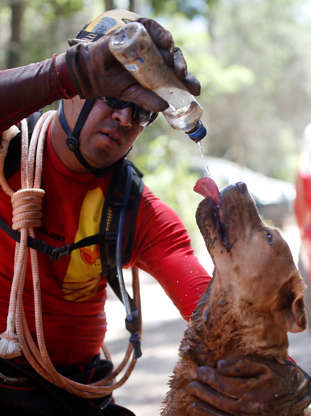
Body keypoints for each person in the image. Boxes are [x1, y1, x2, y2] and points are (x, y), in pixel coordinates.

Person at [0, 9, 310, 416]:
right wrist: (70, 70)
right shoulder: (9, 150)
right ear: (72, 90)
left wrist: (295, 384)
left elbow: (214, 313)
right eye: (113, 95)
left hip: (80, 393)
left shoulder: (137, 210)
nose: (125, 117)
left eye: (143, 109)